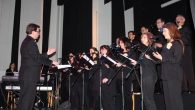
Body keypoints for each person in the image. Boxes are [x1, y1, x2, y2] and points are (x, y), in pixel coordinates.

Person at [18, 23, 59, 110]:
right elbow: (37, 59)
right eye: (38, 31)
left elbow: (35, 57)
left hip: (27, 76)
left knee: (25, 101)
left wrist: (47, 54)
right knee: (27, 102)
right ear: (33, 31)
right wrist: (52, 62)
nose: (39, 33)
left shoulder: (27, 42)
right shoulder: (30, 43)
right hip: (29, 76)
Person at [153, 22, 184, 110]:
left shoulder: (177, 43)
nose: (163, 33)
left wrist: (162, 58)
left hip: (174, 76)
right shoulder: (166, 45)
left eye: (165, 31)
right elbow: (163, 59)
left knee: (175, 101)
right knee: (168, 102)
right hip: (166, 76)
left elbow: (176, 59)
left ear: (171, 31)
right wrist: (152, 58)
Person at [131, 32, 157, 110]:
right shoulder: (141, 51)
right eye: (142, 37)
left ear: (149, 39)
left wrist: (150, 58)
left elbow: (157, 60)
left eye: (144, 37)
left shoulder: (151, 49)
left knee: (149, 98)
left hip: (150, 75)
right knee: (145, 98)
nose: (142, 39)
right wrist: (137, 63)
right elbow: (142, 63)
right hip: (144, 75)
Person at [176, 14, 195, 92]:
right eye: (176, 19)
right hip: (179, 52)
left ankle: (192, 88)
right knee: (181, 70)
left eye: (179, 19)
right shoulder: (176, 30)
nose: (177, 20)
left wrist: (179, 32)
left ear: (183, 20)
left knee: (189, 69)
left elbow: (187, 40)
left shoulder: (186, 29)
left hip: (186, 50)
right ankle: (184, 88)